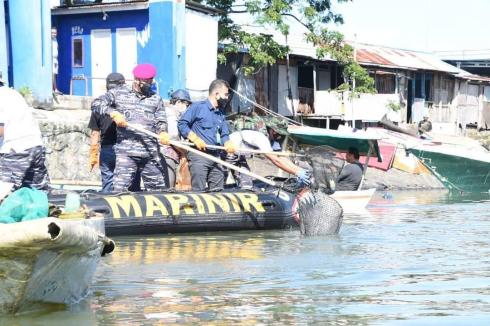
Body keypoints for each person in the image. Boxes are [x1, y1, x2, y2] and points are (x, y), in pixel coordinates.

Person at [97, 63, 171, 192]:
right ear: (137, 80)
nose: (151, 83)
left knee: (159, 192)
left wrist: (163, 132)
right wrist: (113, 113)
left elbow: (161, 120)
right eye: (147, 81)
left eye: (151, 80)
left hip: (150, 153)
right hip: (126, 153)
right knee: (119, 191)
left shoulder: (155, 98)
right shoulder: (119, 93)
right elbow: (97, 103)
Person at [177, 79, 236, 191]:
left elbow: (224, 133)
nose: (227, 98)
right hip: (199, 156)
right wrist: (194, 138)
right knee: (198, 191)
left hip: (215, 156)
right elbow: (182, 124)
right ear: (216, 94)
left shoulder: (221, 113)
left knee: (218, 190)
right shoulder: (198, 107)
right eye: (226, 95)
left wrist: (228, 142)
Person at [88, 72, 141, 192]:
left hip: (107, 150)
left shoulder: (99, 106)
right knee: (132, 184)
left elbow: (95, 133)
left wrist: (93, 155)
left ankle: (107, 208)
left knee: (108, 183)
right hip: (127, 150)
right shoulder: (128, 104)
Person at [227, 113, 311, 188]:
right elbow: (275, 160)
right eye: (278, 133)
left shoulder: (271, 138)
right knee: (218, 180)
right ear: (272, 130)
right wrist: (296, 173)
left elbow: (280, 157)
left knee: (246, 184)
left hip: (238, 156)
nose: (279, 136)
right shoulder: (261, 138)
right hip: (226, 151)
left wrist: (299, 170)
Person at [0, 78, 50, 191]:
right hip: (36, 146)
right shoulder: (12, 93)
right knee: (37, 194)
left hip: (15, 151)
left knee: (4, 193)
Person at [161, 89, 191, 188]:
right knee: (169, 188)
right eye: (187, 104)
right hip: (167, 155)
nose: (187, 107)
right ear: (178, 102)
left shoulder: (174, 114)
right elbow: (173, 138)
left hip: (170, 154)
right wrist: (187, 152)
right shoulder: (171, 114)